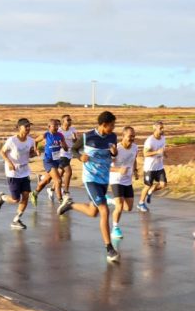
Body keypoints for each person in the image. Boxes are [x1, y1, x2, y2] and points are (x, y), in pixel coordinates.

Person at [59, 111, 120, 262]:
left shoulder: (113, 137)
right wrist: (80, 157)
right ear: (104, 125)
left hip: (104, 178)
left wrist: (114, 152)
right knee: (104, 210)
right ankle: (109, 248)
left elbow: (114, 153)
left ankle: (71, 205)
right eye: (111, 125)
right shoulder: (87, 137)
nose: (113, 128)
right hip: (90, 178)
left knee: (93, 212)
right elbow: (73, 149)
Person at [0, 118, 38, 229]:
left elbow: (29, 155)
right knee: (15, 199)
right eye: (26, 126)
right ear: (19, 128)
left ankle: (17, 219)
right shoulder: (12, 140)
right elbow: (1, 152)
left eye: (29, 126)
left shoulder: (30, 141)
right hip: (13, 172)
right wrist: (9, 162)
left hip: (24, 172)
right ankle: (2, 197)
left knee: (25, 196)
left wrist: (35, 153)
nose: (28, 128)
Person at [31, 119, 70, 210]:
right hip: (48, 161)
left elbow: (66, 148)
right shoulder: (46, 135)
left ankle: (34, 193)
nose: (56, 127)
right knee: (58, 180)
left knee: (46, 181)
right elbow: (35, 141)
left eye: (57, 125)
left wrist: (63, 145)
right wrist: (36, 150)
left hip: (56, 160)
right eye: (54, 125)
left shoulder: (60, 135)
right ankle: (61, 201)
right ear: (49, 127)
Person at [108, 126, 139, 240]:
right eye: (130, 136)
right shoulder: (116, 149)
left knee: (128, 208)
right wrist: (118, 170)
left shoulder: (135, 147)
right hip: (116, 179)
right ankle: (115, 228)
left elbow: (134, 159)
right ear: (123, 136)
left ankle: (111, 201)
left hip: (127, 180)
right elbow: (106, 166)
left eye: (134, 136)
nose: (132, 138)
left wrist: (135, 170)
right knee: (120, 206)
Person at [137, 121, 168, 212]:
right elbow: (145, 154)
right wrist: (156, 152)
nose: (162, 129)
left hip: (159, 166)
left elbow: (162, 149)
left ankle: (151, 191)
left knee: (163, 184)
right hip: (149, 168)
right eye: (160, 128)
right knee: (147, 186)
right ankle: (141, 203)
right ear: (155, 128)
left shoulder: (163, 138)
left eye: (163, 127)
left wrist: (164, 154)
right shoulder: (150, 140)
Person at [57, 114, 78, 198]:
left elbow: (76, 141)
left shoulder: (73, 130)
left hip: (69, 153)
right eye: (68, 120)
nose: (70, 121)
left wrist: (75, 139)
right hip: (61, 154)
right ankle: (65, 191)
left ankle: (50, 188)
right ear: (63, 122)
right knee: (68, 172)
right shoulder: (58, 131)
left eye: (70, 120)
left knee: (61, 172)